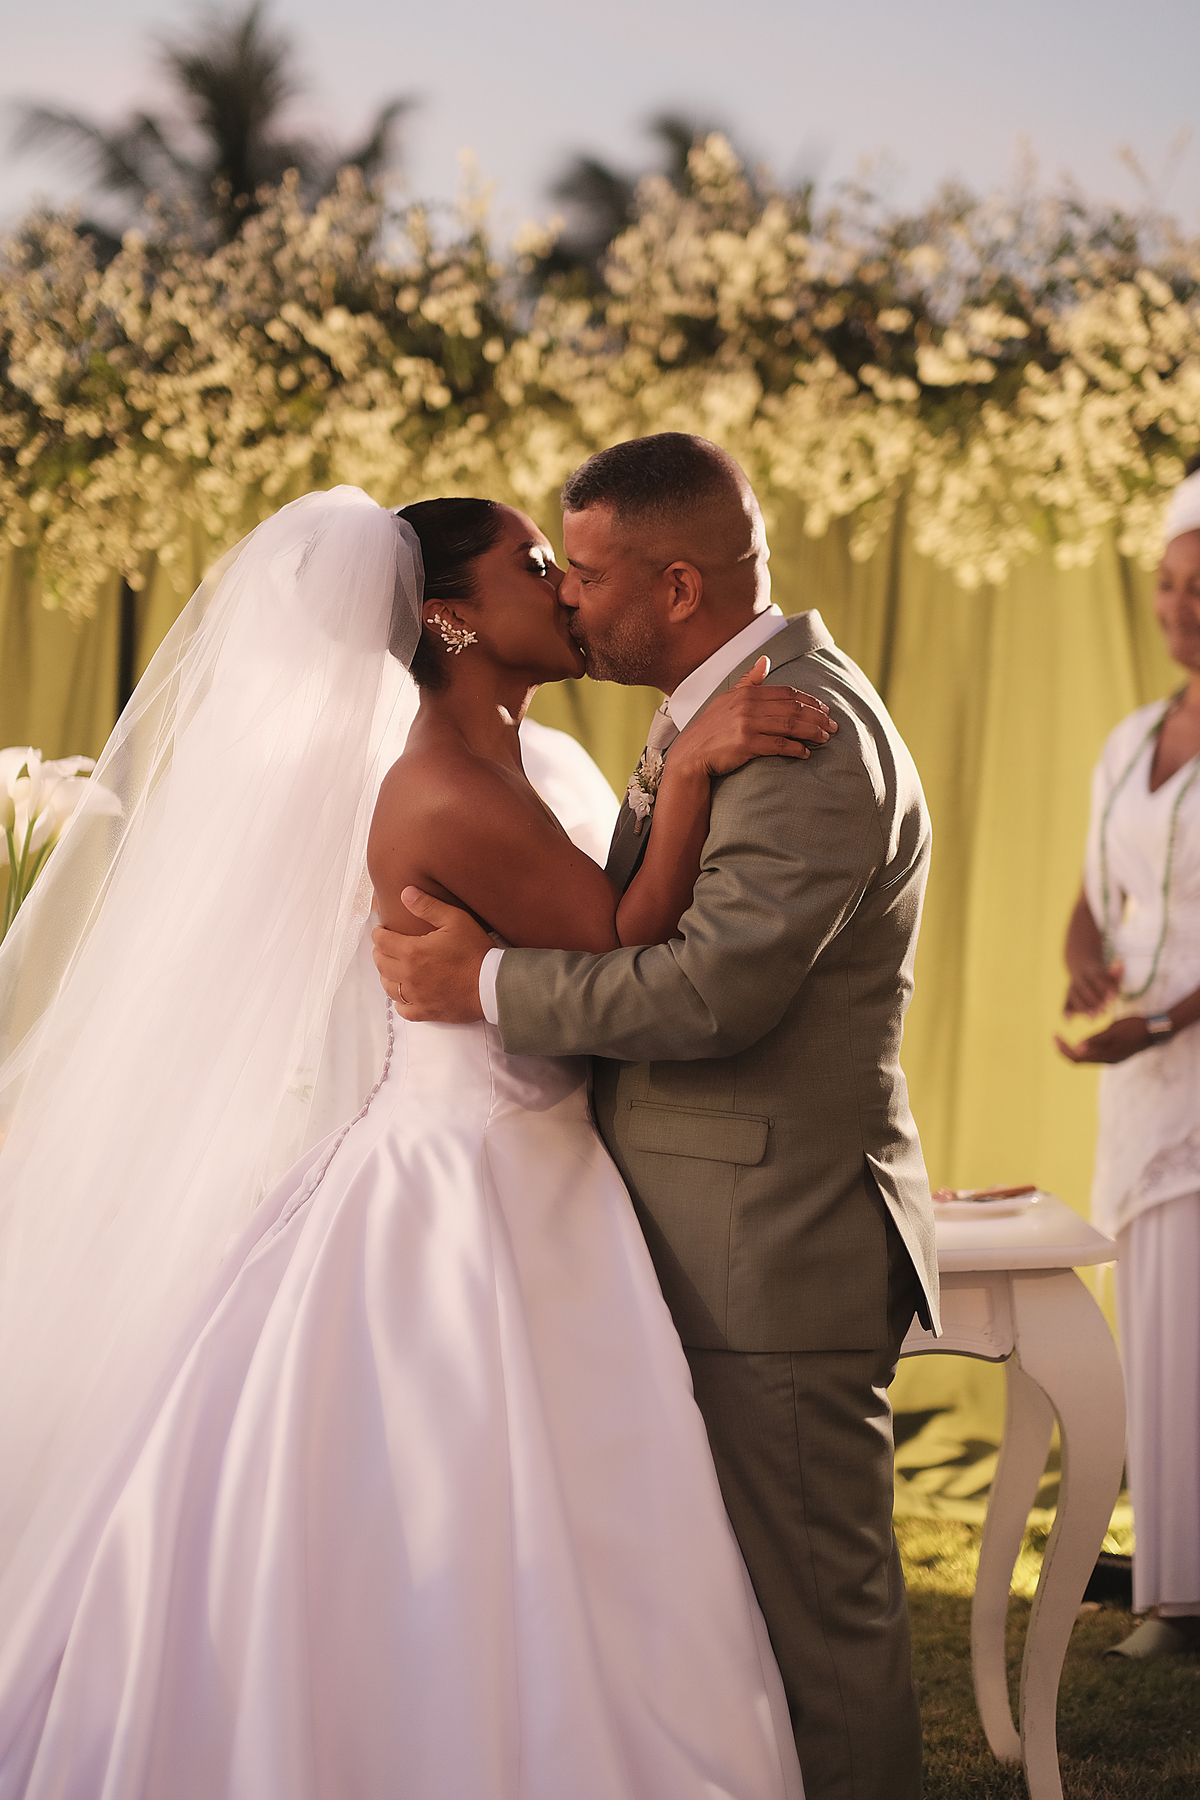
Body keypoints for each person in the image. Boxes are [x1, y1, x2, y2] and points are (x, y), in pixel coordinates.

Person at [0, 485, 848, 1797]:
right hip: (472, 1176)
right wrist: (690, 770)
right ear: (450, 619)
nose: (565, 587)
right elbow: (622, 936)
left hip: (533, 1154)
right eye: (535, 565)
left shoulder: (507, 760)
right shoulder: (445, 786)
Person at [373, 433, 942, 1800]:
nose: (567, 594)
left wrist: (484, 984)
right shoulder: (711, 710)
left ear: (678, 587)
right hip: (691, 1237)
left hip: (770, 1249)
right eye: (548, 567)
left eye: (584, 570)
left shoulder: (801, 735)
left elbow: (706, 994)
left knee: (819, 1629)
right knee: (724, 1628)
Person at [1056, 462, 1200, 1660]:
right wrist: (1083, 963)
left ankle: (1184, 1595)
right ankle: (1168, 1570)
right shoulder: (1131, 740)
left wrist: (1156, 1024)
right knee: (1152, 1311)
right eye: (1168, 583)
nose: (1179, 607)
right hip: (1140, 1073)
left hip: (1186, 1057)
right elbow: (1095, 892)